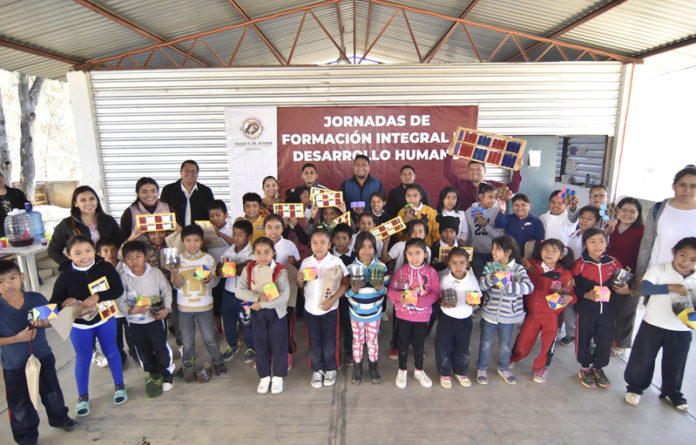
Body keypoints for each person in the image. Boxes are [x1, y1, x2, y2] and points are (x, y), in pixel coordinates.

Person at [0, 260, 79, 444]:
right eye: (0, 282)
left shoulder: (37, 299)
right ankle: (26, 437)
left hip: (42, 355)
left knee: (52, 390)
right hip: (14, 365)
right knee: (19, 403)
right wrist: (16, 339)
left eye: (12, 278)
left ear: (22, 278)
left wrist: (45, 323)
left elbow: (51, 321)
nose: (7, 285)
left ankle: (60, 417)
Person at [49, 235, 126, 417]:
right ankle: (82, 396)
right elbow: (53, 302)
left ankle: (120, 386)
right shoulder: (65, 276)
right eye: (78, 253)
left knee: (112, 351)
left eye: (88, 251)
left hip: (105, 318)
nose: (84, 256)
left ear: (94, 250)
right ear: (69, 255)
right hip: (80, 325)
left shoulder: (105, 267)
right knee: (83, 358)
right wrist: (63, 302)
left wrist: (98, 296)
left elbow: (118, 289)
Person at [624, 237, 696, 411]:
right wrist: (671, 287)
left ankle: (672, 392)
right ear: (674, 252)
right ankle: (635, 388)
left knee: (676, 363)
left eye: (693, 259)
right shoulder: (659, 270)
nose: (685, 262)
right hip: (653, 324)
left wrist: (692, 320)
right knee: (642, 360)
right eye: (682, 255)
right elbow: (644, 289)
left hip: (681, 330)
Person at [510, 239, 576, 383]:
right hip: (533, 313)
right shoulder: (532, 266)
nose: (549, 254)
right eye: (546, 250)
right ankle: (514, 358)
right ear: (540, 251)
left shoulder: (564, 273)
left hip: (553, 316)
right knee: (523, 341)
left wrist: (569, 297)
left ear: (561, 255)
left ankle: (542, 367)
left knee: (548, 344)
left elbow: (571, 293)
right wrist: (524, 261)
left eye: (554, 251)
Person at [573, 228, 631, 389]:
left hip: (609, 311)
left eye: (601, 241)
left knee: (605, 340)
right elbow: (571, 286)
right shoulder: (579, 265)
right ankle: (585, 368)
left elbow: (622, 282)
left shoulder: (614, 263)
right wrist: (585, 294)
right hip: (586, 311)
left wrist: (625, 288)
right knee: (583, 338)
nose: (597, 245)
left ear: (607, 243)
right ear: (585, 244)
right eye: (592, 241)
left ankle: (598, 368)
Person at [117, 241, 174, 396]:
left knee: (160, 346)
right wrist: (130, 310)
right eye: (129, 258)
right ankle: (153, 373)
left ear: (146, 257)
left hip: (155, 319)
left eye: (138, 256)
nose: (134, 261)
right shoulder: (123, 277)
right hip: (135, 323)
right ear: (124, 260)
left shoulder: (155, 273)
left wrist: (167, 309)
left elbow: (166, 291)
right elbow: (120, 299)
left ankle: (165, 372)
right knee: (142, 349)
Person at [169, 224, 225, 380]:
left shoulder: (207, 259)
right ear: (182, 241)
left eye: (196, 241)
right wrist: (174, 274)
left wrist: (208, 280)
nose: (192, 244)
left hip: (204, 305)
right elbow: (177, 285)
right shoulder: (178, 259)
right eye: (188, 240)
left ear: (202, 242)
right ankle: (187, 364)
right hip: (184, 307)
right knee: (187, 340)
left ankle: (218, 361)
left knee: (209, 338)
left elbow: (214, 283)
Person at [236, 237, 291, 395]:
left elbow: (284, 296)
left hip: (276, 313)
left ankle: (278, 376)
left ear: (273, 252)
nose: (263, 256)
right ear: (253, 254)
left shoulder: (280, 270)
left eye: (267, 252)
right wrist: (258, 298)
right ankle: (264, 376)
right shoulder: (249, 268)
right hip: (257, 312)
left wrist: (263, 304)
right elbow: (239, 291)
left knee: (279, 345)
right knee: (260, 344)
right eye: (258, 252)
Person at [476, 235, 533, 385]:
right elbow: (481, 286)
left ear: (508, 252)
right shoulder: (489, 266)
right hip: (489, 312)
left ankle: (504, 367)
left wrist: (508, 286)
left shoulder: (518, 269)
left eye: (497, 249)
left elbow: (529, 287)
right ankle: (481, 368)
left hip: (509, 315)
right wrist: (491, 278)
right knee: (485, 342)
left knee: (505, 344)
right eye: (493, 248)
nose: (493, 252)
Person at [297, 228, 349, 388]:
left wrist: (333, 300)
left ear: (329, 244)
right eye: (314, 243)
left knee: (330, 341)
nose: (318, 246)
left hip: (330, 310)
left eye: (323, 242)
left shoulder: (335, 262)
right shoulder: (307, 262)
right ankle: (317, 369)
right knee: (314, 341)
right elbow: (302, 288)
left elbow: (345, 284)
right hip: (311, 309)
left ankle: (331, 368)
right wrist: (299, 281)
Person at [388, 238, 441, 389]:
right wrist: (400, 298)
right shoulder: (401, 272)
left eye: (418, 253)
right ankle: (402, 370)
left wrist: (419, 302)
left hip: (422, 317)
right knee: (402, 345)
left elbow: (435, 293)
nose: (414, 257)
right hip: (403, 316)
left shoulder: (431, 272)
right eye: (410, 253)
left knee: (419, 345)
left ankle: (419, 370)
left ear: (425, 254)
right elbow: (391, 291)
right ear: (405, 254)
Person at [636, 166, 696, 289]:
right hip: (657, 277)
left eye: (693, 186)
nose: (687, 190)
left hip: (689, 282)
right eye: (682, 185)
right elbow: (647, 243)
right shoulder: (659, 209)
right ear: (674, 186)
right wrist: (640, 274)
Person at [346, 232, 388, 385]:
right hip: (356, 312)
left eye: (370, 247)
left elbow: (386, 290)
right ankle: (357, 369)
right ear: (356, 248)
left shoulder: (381, 266)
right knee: (357, 341)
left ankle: (373, 367)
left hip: (374, 312)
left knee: (372, 340)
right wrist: (354, 290)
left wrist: (380, 288)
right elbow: (346, 292)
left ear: (375, 249)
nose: (366, 250)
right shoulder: (350, 268)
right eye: (362, 246)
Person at [435, 248, 480, 389]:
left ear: (467, 263)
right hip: (446, 319)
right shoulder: (444, 279)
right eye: (454, 263)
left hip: (465, 319)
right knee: (443, 346)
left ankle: (460, 372)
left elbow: (478, 296)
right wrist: (442, 302)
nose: (458, 266)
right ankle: (444, 373)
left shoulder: (472, 280)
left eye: (462, 263)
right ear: (448, 264)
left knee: (462, 347)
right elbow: (438, 297)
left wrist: (475, 302)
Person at [48, 186, 123, 266]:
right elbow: (53, 250)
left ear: (97, 201)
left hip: (107, 267)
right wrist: (70, 265)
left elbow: (120, 242)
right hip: (83, 271)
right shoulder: (66, 224)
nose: (88, 203)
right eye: (83, 200)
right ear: (75, 203)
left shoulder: (108, 220)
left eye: (92, 199)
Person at [606, 197, 645, 354]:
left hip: (631, 275)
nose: (627, 214)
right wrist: (609, 227)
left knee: (626, 311)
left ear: (638, 213)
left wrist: (639, 279)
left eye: (632, 211)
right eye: (624, 210)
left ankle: (621, 344)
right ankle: (606, 338)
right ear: (618, 211)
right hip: (609, 273)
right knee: (608, 307)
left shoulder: (642, 230)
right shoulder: (612, 226)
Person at [264, 214, 300, 368]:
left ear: (283, 227)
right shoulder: (260, 245)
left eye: (277, 227)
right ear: (264, 229)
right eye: (269, 227)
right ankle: (272, 350)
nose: (273, 231)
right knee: (270, 320)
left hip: (287, 289)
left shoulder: (289, 245)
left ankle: (287, 351)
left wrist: (294, 262)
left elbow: (297, 266)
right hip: (268, 288)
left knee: (286, 320)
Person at [219, 219, 256, 363]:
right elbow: (220, 271)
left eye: (240, 235)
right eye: (234, 234)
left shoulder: (253, 253)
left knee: (247, 322)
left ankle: (250, 347)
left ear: (249, 236)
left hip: (245, 295)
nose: (236, 238)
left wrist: (230, 268)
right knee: (228, 321)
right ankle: (232, 344)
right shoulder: (227, 251)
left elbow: (244, 270)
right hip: (228, 293)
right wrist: (238, 267)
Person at [97, 239, 135, 367]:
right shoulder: (98, 270)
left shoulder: (125, 266)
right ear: (99, 253)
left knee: (131, 334)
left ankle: (135, 353)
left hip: (127, 307)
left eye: (113, 250)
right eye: (105, 251)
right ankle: (120, 357)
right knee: (115, 337)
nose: (110, 253)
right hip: (110, 311)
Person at [443, 158, 522, 211]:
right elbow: (448, 174)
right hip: (467, 225)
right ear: (468, 172)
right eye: (472, 170)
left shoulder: (494, 185)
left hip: (490, 224)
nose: (474, 172)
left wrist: (517, 169)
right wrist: (450, 154)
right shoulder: (461, 184)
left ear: (485, 172)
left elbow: (514, 188)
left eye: (478, 169)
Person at [465, 183, 504, 278]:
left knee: (493, 278)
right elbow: (468, 232)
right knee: (477, 277)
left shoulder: (497, 211)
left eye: (495, 197)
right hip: (476, 253)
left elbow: (500, 236)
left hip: (493, 253)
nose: (493, 200)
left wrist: (486, 225)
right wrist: (466, 250)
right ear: (481, 197)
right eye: (490, 197)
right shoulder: (469, 211)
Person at [160, 160, 215, 227]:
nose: (190, 173)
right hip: (174, 232)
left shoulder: (206, 191)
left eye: (193, 171)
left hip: (199, 234)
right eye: (186, 170)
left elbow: (211, 213)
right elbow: (162, 212)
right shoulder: (168, 190)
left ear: (197, 173)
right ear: (180, 171)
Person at [207, 200, 233, 336]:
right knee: (215, 299)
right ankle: (218, 328)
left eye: (218, 215)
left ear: (225, 215)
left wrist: (221, 234)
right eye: (212, 216)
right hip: (212, 267)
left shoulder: (232, 228)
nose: (215, 219)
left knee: (229, 297)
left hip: (228, 266)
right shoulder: (206, 229)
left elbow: (236, 244)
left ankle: (233, 326)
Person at [120, 177, 173, 242]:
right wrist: (133, 236)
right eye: (144, 192)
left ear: (158, 192)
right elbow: (123, 240)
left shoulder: (167, 208)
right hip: (139, 250)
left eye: (153, 191)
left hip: (165, 250)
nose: (150, 195)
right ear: (138, 193)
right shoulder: (130, 212)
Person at [332, 223, 354, 366]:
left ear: (350, 240)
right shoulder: (327, 257)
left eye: (344, 238)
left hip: (348, 298)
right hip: (331, 298)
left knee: (348, 325)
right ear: (332, 240)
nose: (340, 241)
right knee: (332, 326)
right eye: (337, 238)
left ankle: (349, 352)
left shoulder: (354, 258)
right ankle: (332, 353)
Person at [0, 172, 28, 237]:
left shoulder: (16, 193)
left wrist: (28, 206)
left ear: (2, 177)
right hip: (2, 233)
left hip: (20, 228)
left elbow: (26, 206)